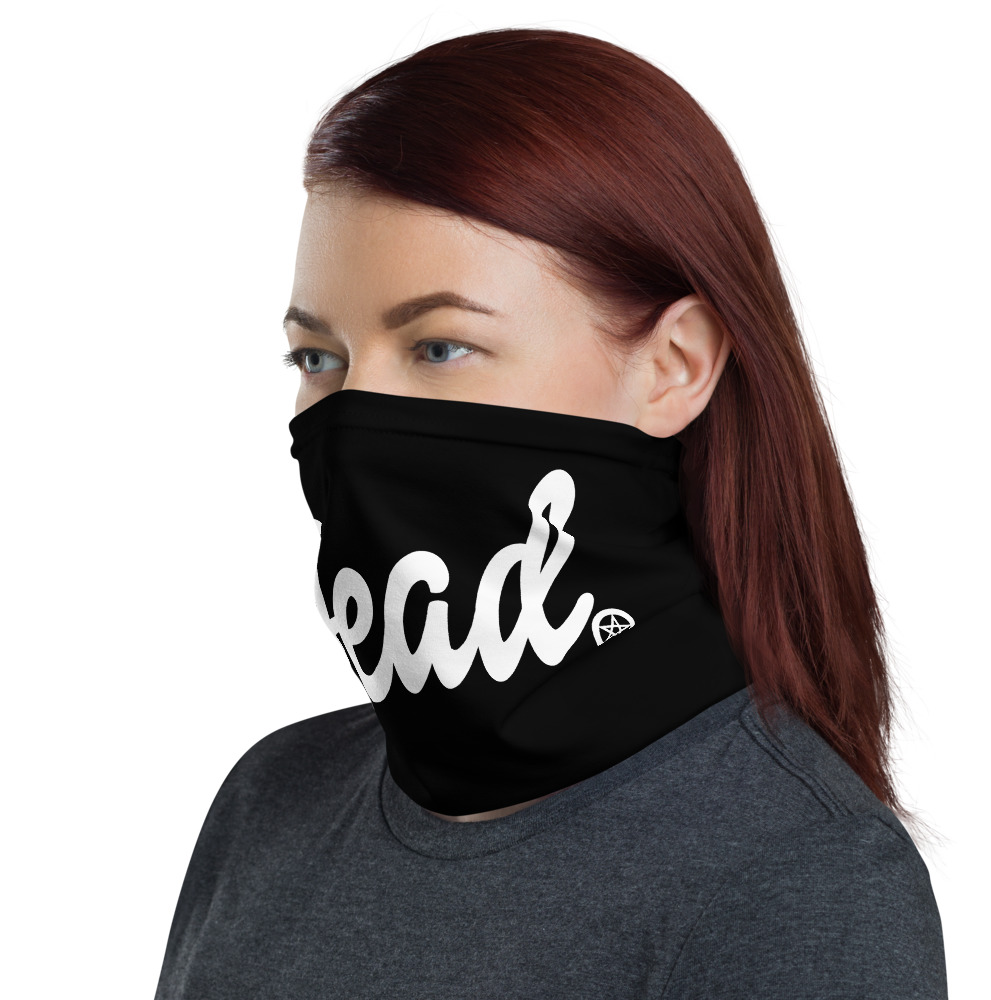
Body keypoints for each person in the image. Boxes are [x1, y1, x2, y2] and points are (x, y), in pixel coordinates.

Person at [154, 27, 948, 998]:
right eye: (319, 357)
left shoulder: (797, 876)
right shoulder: (271, 800)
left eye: (440, 346)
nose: (355, 415)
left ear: (675, 367)